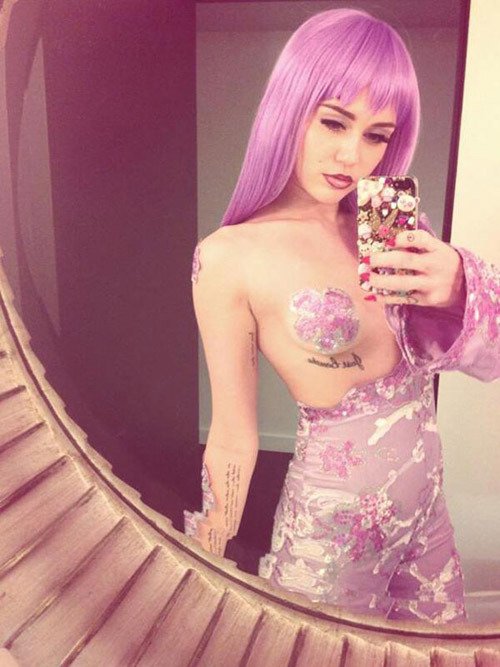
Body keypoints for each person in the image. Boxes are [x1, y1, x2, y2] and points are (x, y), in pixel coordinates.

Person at [183, 7, 499, 625]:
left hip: (426, 509)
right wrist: (210, 548)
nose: (352, 154)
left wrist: (460, 284)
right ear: (289, 108)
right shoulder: (228, 257)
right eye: (333, 121)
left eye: (377, 135)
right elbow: (233, 433)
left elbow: (476, 352)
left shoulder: (387, 225)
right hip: (333, 531)